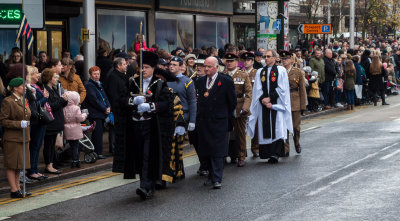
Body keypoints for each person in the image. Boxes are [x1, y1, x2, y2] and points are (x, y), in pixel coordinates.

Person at [124, 51, 174, 200]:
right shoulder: (132, 82)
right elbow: (121, 99)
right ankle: (146, 183)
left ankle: (145, 186)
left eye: (146, 67)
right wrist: (132, 102)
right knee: (139, 156)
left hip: (151, 126)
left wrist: (151, 106)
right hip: (135, 125)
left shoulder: (159, 84)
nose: (143, 70)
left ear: (153, 68)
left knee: (148, 155)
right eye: (141, 67)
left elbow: (167, 104)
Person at [196, 57, 236, 189]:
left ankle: (217, 178)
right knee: (206, 149)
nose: (206, 69)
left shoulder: (225, 81)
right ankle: (210, 176)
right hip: (204, 121)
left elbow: (232, 102)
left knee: (217, 150)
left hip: (219, 121)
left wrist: (224, 114)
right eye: (205, 66)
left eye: (209, 66)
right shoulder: (201, 81)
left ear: (216, 67)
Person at [247, 49, 293, 164]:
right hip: (264, 106)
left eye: (268, 56)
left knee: (277, 127)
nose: (266, 59)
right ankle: (266, 153)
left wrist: (270, 98)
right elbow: (257, 88)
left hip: (276, 105)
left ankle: (276, 153)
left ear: (274, 58)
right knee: (264, 127)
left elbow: (282, 88)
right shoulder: (260, 72)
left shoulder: (280, 70)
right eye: (264, 57)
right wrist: (263, 98)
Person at [0, 78, 32, 198]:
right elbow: (3, 121)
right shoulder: (8, 101)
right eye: (22, 86)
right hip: (12, 138)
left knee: (20, 165)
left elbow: (29, 114)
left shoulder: (24, 100)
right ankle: (13, 190)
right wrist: (18, 124)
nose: (24, 88)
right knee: (12, 165)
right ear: (14, 88)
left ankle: (18, 188)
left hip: (24, 137)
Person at [224, 53, 252, 167]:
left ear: (236, 62)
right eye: (228, 61)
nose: (229, 63)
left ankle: (241, 156)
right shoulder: (223, 75)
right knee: (225, 134)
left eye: (232, 61)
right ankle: (224, 155)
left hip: (239, 106)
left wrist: (245, 108)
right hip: (225, 107)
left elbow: (249, 93)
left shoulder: (243, 75)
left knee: (240, 134)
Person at [42, 68, 68, 174]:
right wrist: (62, 100)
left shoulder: (53, 89)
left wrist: (64, 100)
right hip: (50, 122)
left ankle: (52, 163)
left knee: (52, 144)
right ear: (49, 78)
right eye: (54, 77)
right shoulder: (46, 89)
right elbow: (50, 106)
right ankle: (49, 165)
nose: (56, 79)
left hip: (56, 121)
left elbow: (58, 103)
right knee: (49, 144)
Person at [280, 51, 307, 156]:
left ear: (291, 59)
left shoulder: (297, 72)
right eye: (282, 59)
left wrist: (303, 105)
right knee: (285, 126)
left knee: (296, 127)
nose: (284, 61)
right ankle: (286, 148)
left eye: (286, 59)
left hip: (295, 101)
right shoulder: (280, 71)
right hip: (283, 101)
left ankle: (296, 142)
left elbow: (302, 90)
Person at [105, 57, 129, 172]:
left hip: (123, 110)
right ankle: (114, 149)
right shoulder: (113, 78)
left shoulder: (122, 76)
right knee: (115, 132)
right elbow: (114, 95)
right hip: (118, 110)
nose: (126, 66)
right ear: (118, 66)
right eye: (124, 64)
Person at [26, 66, 49, 180]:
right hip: (36, 120)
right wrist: (45, 98)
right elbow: (35, 105)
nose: (38, 75)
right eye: (36, 73)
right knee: (34, 145)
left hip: (41, 120)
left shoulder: (36, 87)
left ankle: (35, 169)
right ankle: (31, 170)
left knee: (38, 145)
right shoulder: (30, 88)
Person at [84, 66, 110, 159]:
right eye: (94, 74)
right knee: (97, 134)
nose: (97, 76)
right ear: (90, 75)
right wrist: (104, 108)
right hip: (95, 113)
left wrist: (108, 107)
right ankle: (97, 153)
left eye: (98, 74)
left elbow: (105, 97)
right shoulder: (89, 85)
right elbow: (94, 100)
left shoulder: (99, 84)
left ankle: (99, 152)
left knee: (99, 133)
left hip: (101, 113)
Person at [167, 56, 197, 135]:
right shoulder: (165, 79)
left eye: (174, 65)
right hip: (167, 117)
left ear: (181, 67)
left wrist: (192, 120)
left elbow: (192, 101)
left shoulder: (188, 81)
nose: (171, 66)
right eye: (170, 64)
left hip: (181, 117)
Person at [63, 91, 88, 168]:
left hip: (67, 128)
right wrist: (85, 114)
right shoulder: (76, 108)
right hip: (76, 128)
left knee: (71, 145)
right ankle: (76, 160)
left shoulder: (64, 108)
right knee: (76, 146)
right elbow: (80, 118)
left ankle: (74, 161)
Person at [241, 52, 259, 157]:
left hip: (253, 103)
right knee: (242, 127)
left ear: (252, 61)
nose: (246, 62)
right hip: (243, 102)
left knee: (254, 126)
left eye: (248, 60)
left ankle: (255, 148)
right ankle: (243, 150)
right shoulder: (240, 73)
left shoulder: (257, 73)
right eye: (245, 60)